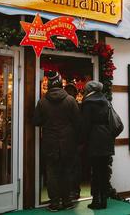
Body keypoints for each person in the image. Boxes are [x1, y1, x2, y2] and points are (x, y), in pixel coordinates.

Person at [33, 71, 80, 212]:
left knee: (52, 172)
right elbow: (78, 122)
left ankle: (54, 203)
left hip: (50, 142)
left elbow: (36, 121)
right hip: (67, 142)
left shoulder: (42, 102)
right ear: (61, 84)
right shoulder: (70, 100)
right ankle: (67, 201)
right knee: (66, 171)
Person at [81, 80, 114, 209]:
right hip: (106, 139)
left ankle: (96, 200)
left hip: (94, 140)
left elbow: (85, 125)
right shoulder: (106, 101)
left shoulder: (88, 103)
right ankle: (104, 200)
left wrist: (82, 141)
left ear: (89, 90)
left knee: (95, 171)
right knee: (104, 170)